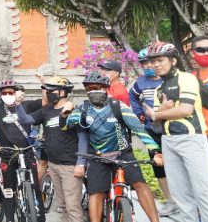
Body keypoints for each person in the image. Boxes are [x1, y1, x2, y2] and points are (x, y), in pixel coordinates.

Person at [61, 71, 163, 222]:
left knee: (140, 184)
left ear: (106, 88)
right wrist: (65, 115)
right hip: (97, 156)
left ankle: (155, 220)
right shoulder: (83, 109)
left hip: (123, 153)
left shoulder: (118, 106)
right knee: (96, 193)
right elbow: (65, 127)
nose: (92, 91)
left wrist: (155, 152)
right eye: (88, 89)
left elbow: (139, 130)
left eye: (96, 87)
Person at [148, 41, 208, 222]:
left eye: (160, 60)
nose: (156, 65)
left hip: (192, 139)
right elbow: (155, 124)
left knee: (203, 191)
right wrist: (159, 113)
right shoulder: (158, 89)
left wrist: (157, 112)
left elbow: (185, 110)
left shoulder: (187, 78)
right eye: (153, 62)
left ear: (173, 60)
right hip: (168, 141)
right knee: (180, 194)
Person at [0, 74, 46, 222]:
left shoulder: (26, 106)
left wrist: (43, 83)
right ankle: (9, 218)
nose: (8, 95)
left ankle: (40, 217)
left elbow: (45, 101)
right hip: (7, 154)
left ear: (16, 93)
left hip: (26, 151)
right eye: (4, 93)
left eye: (11, 92)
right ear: (1, 94)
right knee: (8, 190)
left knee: (35, 186)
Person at [17, 77, 87, 222]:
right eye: (46, 90)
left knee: (73, 206)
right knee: (63, 205)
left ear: (62, 92)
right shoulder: (46, 111)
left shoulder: (74, 110)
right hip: (53, 164)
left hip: (70, 165)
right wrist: (18, 104)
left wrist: (81, 163)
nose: (48, 93)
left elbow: (83, 138)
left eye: (51, 90)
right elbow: (25, 120)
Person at [128, 48, 178, 216]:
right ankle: (170, 201)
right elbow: (133, 97)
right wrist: (140, 115)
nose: (148, 65)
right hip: (152, 130)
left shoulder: (169, 80)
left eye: (151, 61)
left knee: (178, 164)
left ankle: (186, 200)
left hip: (173, 128)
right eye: (144, 63)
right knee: (158, 166)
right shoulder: (140, 82)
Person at [186, 35, 208, 181]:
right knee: (203, 181)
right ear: (192, 52)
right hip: (197, 137)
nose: (207, 53)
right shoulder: (187, 78)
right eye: (201, 50)